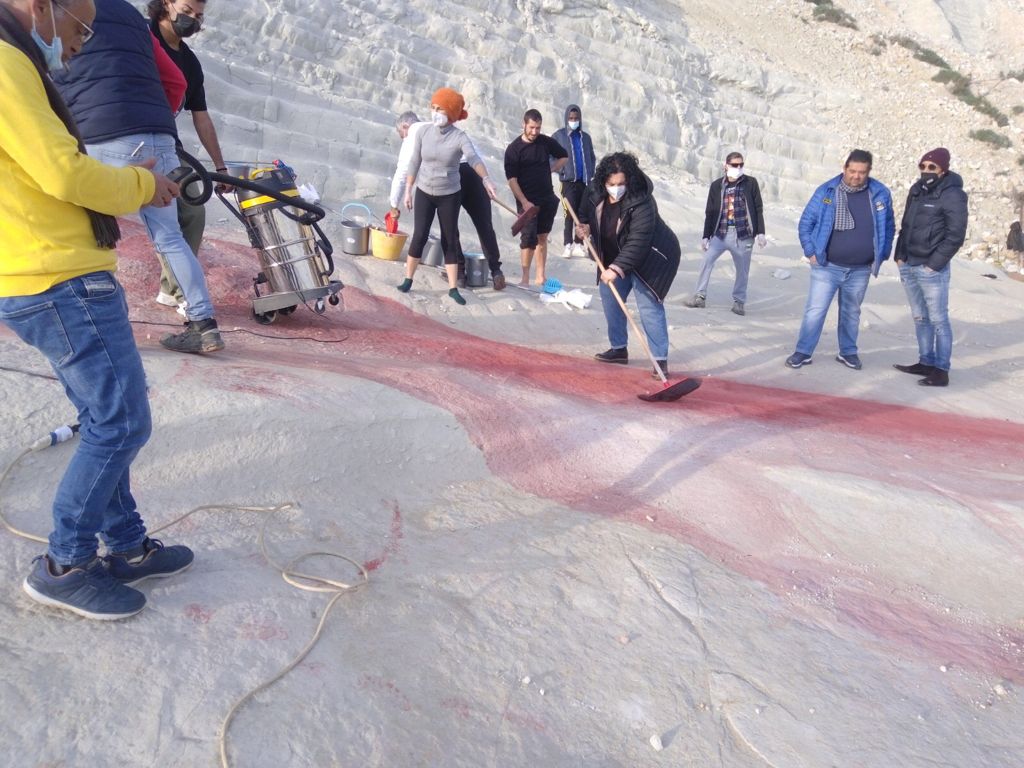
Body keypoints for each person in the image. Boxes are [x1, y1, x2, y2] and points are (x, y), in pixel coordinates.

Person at [0, 0, 193, 620]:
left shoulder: (15, 59)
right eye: (80, 29)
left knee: (103, 416)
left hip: (44, 271)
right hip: (58, 276)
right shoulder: (5, 62)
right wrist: (141, 184)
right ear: (42, 6)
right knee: (122, 423)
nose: (80, 46)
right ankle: (67, 564)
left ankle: (127, 544)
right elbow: (63, 173)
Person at [55, 0, 224, 354]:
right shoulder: (131, 16)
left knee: (88, 231)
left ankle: (97, 326)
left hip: (105, 133)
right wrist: (155, 120)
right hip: (159, 134)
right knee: (169, 236)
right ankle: (203, 324)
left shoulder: (62, 10)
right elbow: (175, 81)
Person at [147, 0, 229, 309]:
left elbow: (201, 117)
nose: (192, 19)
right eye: (186, 10)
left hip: (167, 143)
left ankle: (173, 289)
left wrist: (220, 167)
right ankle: (187, 296)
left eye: (198, 15)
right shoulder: (141, 38)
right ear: (166, 4)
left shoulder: (190, 64)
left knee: (192, 210)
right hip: (128, 135)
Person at [785, 149, 894, 371]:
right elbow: (806, 223)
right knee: (816, 310)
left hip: (860, 269)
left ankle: (848, 352)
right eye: (852, 171)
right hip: (827, 266)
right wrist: (810, 251)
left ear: (869, 172)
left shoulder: (880, 193)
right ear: (844, 168)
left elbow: (889, 226)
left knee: (851, 313)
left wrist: (882, 254)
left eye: (861, 172)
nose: (856, 176)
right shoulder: (827, 190)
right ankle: (803, 352)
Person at [576, 152, 681, 377]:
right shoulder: (594, 191)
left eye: (621, 184)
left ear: (630, 180)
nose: (616, 188)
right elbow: (585, 216)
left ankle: (659, 360)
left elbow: (638, 241)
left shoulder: (642, 200)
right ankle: (619, 349)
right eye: (612, 184)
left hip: (651, 259)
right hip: (614, 257)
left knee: (649, 306)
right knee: (610, 298)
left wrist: (616, 269)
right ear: (604, 182)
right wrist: (584, 229)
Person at [395, 87, 497, 305]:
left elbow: (473, 158)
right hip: (424, 191)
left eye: (439, 108)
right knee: (419, 235)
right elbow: (414, 161)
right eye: (433, 107)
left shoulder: (459, 137)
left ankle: (453, 288)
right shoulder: (423, 132)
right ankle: (408, 279)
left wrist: (486, 179)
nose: (435, 113)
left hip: (449, 194)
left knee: (449, 239)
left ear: (450, 112)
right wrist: (408, 190)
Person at [892, 148, 968, 387]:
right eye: (922, 166)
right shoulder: (916, 190)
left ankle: (941, 370)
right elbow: (906, 225)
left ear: (943, 169)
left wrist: (933, 265)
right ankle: (925, 362)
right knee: (920, 317)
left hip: (931, 269)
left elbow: (955, 236)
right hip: (908, 264)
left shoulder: (953, 195)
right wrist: (899, 255)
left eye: (931, 167)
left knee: (938, 320)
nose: (926, 171)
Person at [685, 151, 766, 315]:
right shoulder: (717, 185)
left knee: (742, 270)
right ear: (726, 165)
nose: (738, 168)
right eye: (735, 165)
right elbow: (710, 211)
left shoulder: (750, 183)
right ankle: (700, 296)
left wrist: (761, 233)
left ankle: (739, 302)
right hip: (720, 233)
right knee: (707, 261)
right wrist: (706, 235)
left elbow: (758, 208)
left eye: (741, 165)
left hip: (743, 235)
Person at [504, 108, 568, 285]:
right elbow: (512, 180)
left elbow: (564, 156)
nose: (534, 132)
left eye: (538, 128)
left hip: (547, 197)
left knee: (542, 236)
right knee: (528, 238)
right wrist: (524, 202)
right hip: (527, 200)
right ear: (524, 124)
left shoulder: (545, 142)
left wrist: (552, 168)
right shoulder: (513, 149)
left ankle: (540, 276)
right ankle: (525, 278)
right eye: (531, 127)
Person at [551, 103, 596, 259]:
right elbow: (550, 157)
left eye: (576, 118)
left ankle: (578, 244)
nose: (574, 121)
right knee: (569, 213)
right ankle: (568, 244)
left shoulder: (586, 138)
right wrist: (561, 170)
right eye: (571, 118)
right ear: (566, 118)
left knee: (582, 214)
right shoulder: (559, 136)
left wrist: (590, 172)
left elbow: (592, 157)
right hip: (568, 182)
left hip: (584, 182)